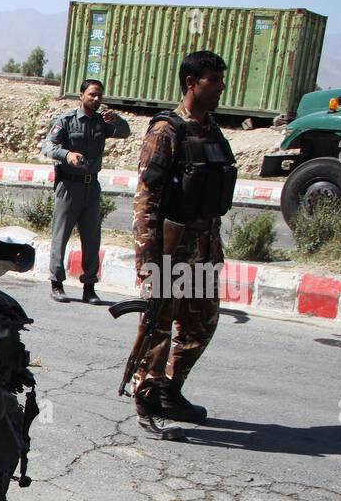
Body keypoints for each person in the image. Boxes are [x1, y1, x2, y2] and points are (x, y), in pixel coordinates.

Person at [125, 50, 236, 430]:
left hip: (204, 249)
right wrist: (147, 260)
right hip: (171, 250)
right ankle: (146, 396)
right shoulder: (166, 131)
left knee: (201, 324)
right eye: (213, 80)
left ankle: (170, 388)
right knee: (158, 325)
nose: (221, 86)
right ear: (191, 83)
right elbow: (146, 200)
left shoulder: (211, 130)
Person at [41, 78, 130, 302]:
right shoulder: (67, 120)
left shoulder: (102, 122)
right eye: (92, 94)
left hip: (92, 186)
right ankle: (57, 283)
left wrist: (117, 120)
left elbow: (125, 132)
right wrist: (67, 155)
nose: (96, 99)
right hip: (68, 186)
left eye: (99, 95)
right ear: (81, 95)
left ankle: (89, 287)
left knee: (92, 238)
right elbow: (48, 146)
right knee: (60, 235)